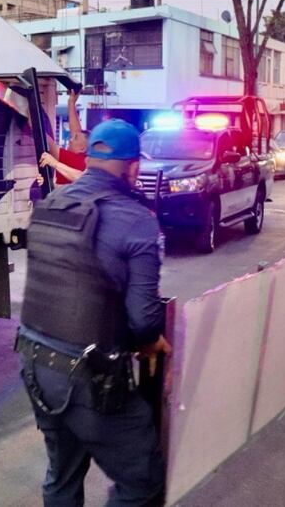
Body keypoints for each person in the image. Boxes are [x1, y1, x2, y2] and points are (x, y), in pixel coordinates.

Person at [17, 119, 170, 507]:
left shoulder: (51, 204)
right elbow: (145, 321)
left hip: (35, 365)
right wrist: (152, 342)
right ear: (133, 168)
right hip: (90, 378)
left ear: (88, 160)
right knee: (142, 479)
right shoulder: (137, 220)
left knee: (62, 475)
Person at [40, 89, 88, 184]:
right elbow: (76, 131)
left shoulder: (75, 160)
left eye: (74, 139)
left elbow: (46, 140)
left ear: (83, 148)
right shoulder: (84, 160)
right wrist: (71, 103)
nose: (70, 140)